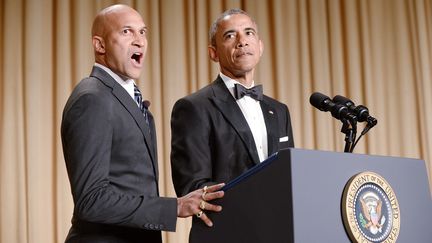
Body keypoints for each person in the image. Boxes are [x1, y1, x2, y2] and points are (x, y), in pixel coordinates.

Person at [61, 4, 224, 243]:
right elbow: (91, 199)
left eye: (143, 32)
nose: (139, 40)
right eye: (127, 31)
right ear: (100, 45)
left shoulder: (127, 99)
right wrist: (174, 207)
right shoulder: (92, 98)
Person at [170, 8, 295, 197]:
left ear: (260, 47)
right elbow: (192, 186)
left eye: (248, 33)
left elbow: (289, 174)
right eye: (230, 36)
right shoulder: (193, 108)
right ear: (214, 53)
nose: (242, 41)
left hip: (278, 224)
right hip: (228, 224)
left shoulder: (279, 111)